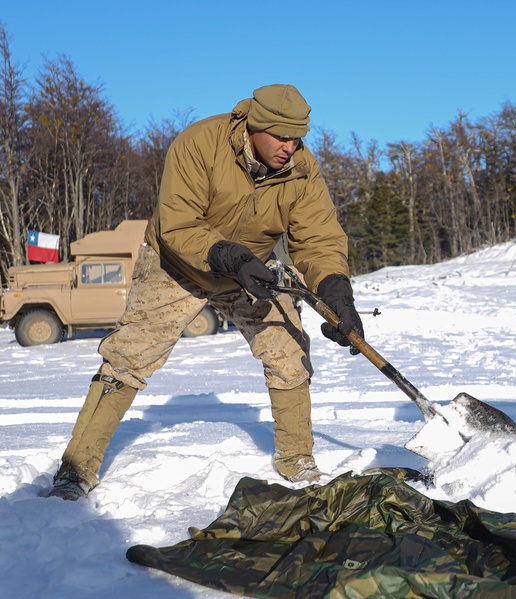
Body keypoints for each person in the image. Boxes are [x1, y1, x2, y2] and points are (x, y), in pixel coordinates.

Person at [46, 84, 364, 501]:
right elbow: (178, 224)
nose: (290, 146)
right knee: (128, 357)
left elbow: (319, 239)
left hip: (249, 270)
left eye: (297, 137)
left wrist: (336, 290)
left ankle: (297, 460)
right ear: (255, 126)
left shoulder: (302, 170)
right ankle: (77, 469)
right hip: (177, 263)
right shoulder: (200, 143)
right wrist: (230, 257)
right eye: (282, 136)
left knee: (288, 349)